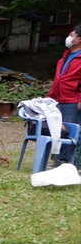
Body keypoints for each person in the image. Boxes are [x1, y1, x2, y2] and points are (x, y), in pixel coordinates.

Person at [47, 24, 81, 166]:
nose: (69, 37)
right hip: (58, 100)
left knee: (71, 130)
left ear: (79, 39)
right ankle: (58, 159)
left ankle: (69, 162)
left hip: (73, 100)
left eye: (72, 35)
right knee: (58, 130)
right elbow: (58, 80)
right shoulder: (64, 58)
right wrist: (49, 98)